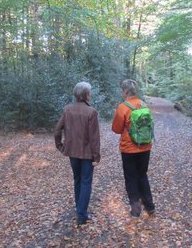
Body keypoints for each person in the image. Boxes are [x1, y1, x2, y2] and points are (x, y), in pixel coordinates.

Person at [54, 82, 100, 226]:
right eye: (89, 93)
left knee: (77, 180)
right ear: (86, 95)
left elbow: (57, 130)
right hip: (86, 155)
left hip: (72, 152)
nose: (90, 95)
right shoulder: (91, 112)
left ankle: (79, 209)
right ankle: (81, 215)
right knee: (86, 182)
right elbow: (94, 137)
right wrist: (96, 156)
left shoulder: (67, 110)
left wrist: (60, 146)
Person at [111, 79, 155, 217]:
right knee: (142, 175)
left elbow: (116, 129)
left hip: (129, 149)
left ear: (125, 91)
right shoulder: (144, 105)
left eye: (122, 90)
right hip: (145, 147)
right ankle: (150, 206)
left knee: (130, 177)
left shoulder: (123, 107)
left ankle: (136, 209)